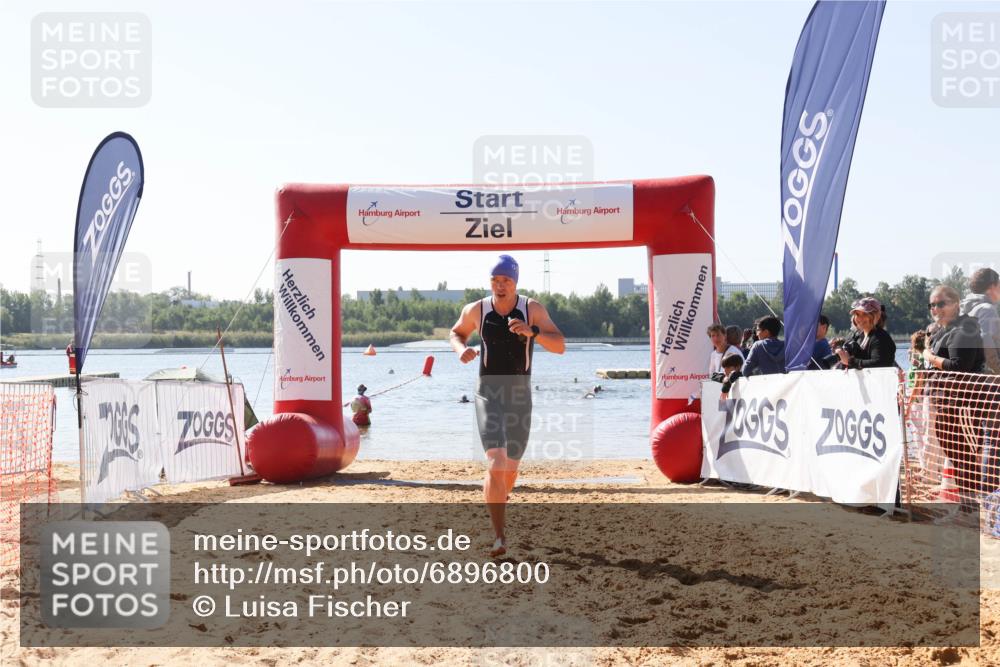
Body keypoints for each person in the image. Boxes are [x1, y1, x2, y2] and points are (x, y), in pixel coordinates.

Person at [450, 254, 565, 557]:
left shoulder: (532, 309)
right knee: (496, 461)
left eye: (506, 281)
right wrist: (461, 349)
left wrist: (533, 332)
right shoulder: (477, 309)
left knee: (510, 470)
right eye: (495, 280)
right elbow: (456, 332)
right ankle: (499, 537)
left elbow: (560, 346)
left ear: (515, 282)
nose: (500, 286)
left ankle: (499, 497)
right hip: (488, 393)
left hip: (519, 397)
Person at [923, 285, 988, 503]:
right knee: (957, 458)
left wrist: (930, 357)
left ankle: (971, 508)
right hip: (946, 404)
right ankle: (965, 508)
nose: (935, 308)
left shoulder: (965, 329)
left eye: (941, 303)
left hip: (964, 405)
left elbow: (959, 366)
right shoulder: (943, 330)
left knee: (966, 460)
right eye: (932, 305)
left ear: (956, 304)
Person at [825, 297, 896, 370]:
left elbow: (880, 363)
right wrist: (842, 356)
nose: (860, 318)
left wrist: (850, 361)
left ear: (876, 316)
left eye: (865, 314)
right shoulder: (858, 337)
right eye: (857, 314)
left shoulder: (880, 338)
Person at [962, 268, 1000, 374]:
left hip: (970, 375)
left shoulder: (964, 309)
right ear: (992, 287)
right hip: (987, 377)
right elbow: (986, 343)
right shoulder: (987, 309)